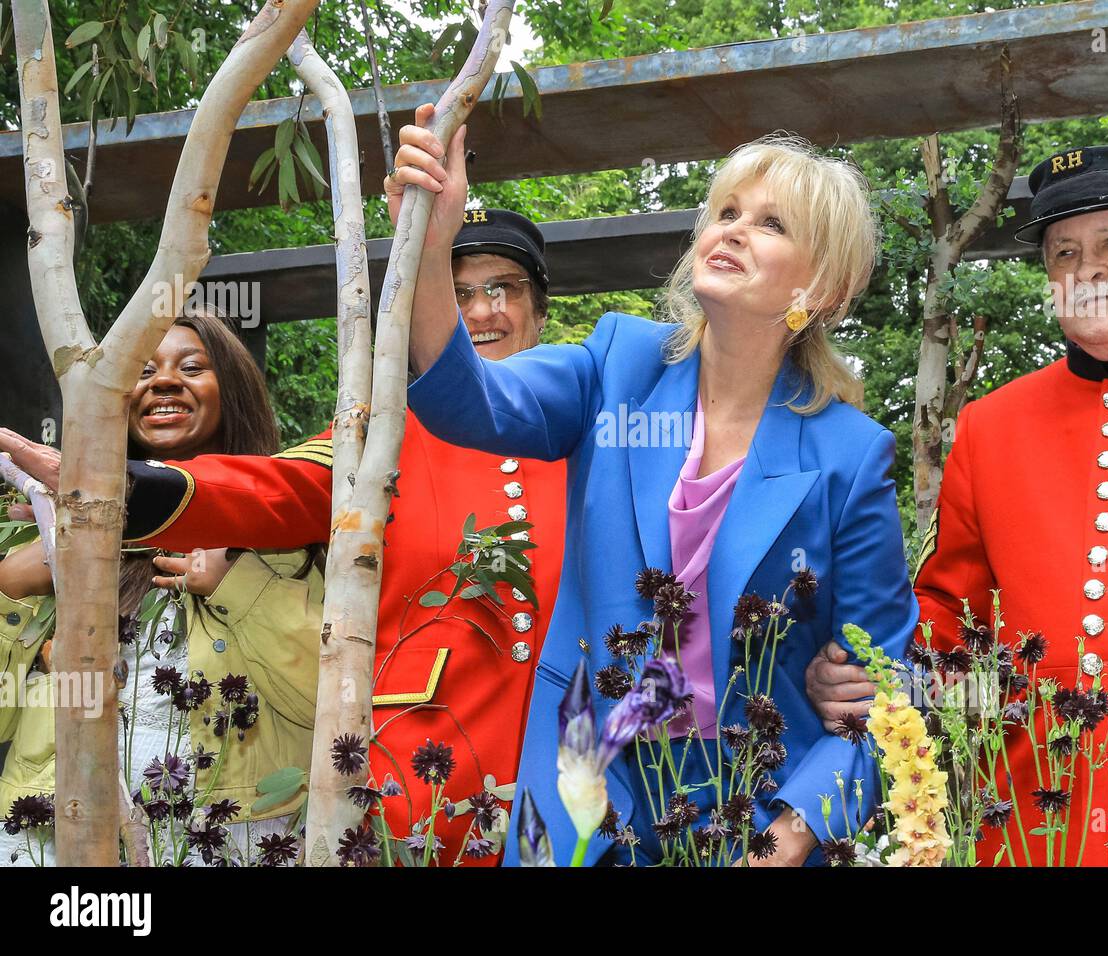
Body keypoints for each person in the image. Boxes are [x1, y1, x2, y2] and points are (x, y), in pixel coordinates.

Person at [397, 107, 919, 866]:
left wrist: (785, 841)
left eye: (770, 223)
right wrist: (432, 242)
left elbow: (882, 696)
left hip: (753, 800)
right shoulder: (616, 363)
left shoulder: (851, 454)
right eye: (726, 212)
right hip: (584, 784)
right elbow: (466, 398)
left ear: (824, 285)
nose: (732, 230)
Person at [0, 204, 569, 866]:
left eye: (503, 289)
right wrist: (108, 500)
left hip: (572, 760)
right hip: (424, 783)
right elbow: (274, 489)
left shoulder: (585, 428)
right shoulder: (378, 440)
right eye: (456, 291)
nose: (480, 311)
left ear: (541, 307)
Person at [805, 145, 1108, 866]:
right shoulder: (992, 423)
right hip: (1042, 816)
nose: (1087, 269)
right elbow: (951, 614)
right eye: (1063, 252)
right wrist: (870, 671)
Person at [0, 308, 322, 866]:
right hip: (58, 839)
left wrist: (241, 587)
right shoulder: (45, 529)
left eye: (192, 366)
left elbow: (330, 701)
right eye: (142, 370)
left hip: (223, 840)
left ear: (235, 391)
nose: (164, 380)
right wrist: (10, 584)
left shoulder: (289, 534)